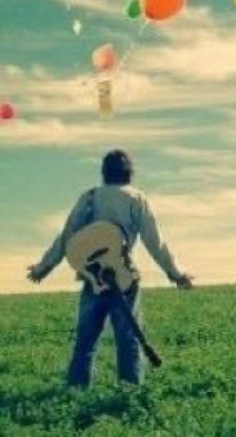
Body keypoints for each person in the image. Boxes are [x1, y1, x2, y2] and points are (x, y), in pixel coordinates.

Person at [26, 149, 193, 387]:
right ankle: (129, 391)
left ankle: (76, 391)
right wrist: (176, 273)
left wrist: (44, 267)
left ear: (104, 173)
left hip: (93, 278)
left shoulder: (90, 197)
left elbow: (67, 236)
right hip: (124, 279)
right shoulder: (136, 198)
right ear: (130, 173)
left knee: (85, 341)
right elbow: (155, 242)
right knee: (128, 341)